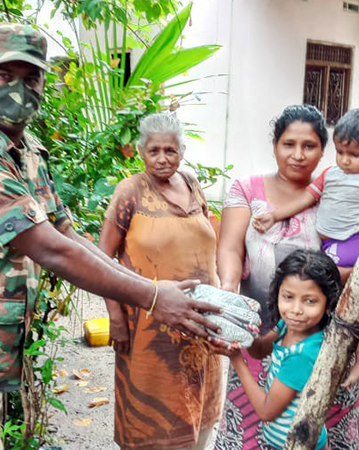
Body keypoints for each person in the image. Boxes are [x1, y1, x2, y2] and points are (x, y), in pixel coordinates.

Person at [0, 24, 222, 450]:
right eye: (3, 76)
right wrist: (154, 296)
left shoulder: (25, 149)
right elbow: (49, 248)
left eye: (30, 79)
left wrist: (153, 291)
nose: (17, 89)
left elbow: (67, 233)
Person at [214, 105, 359, 450]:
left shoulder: (338, 193)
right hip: (261, 337)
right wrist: (228, 287)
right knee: (255, 428)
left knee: (319, 433)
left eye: (310, 146)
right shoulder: (246, 189)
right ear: (274, 145)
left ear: (322, 150)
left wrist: (344, 274)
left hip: (323, 345)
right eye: (289, 144)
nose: (298, 155)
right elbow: (229, 249)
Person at [98, 113, 222, 450]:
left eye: (170, 150)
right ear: (141, 152)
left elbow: (209, 241)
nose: (162, 158)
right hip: (148, 329)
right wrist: (115, 318)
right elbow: (101, 258)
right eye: (154, 151)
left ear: (182, 151)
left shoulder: (193, 184)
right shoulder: (130, 192)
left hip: (200, 326)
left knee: (200, 412)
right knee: (151, 420)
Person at [216, 249, 342, 450]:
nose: (296, 309)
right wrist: (245, 333)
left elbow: (266, 411)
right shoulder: (290, 325)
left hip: (300, 445)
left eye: (310, 301)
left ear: (328, 302)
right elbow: (261, 349)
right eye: (288, 297)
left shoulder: (302, 355)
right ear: (278, 293)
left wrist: (236, 359)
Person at [253, 108, 359, 269]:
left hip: (350, 243)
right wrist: (274, 216)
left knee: (322, 279)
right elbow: (305, 198)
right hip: (325, 243)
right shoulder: (329, 174)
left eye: (354, 155)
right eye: (340, 152)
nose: (345, 160)